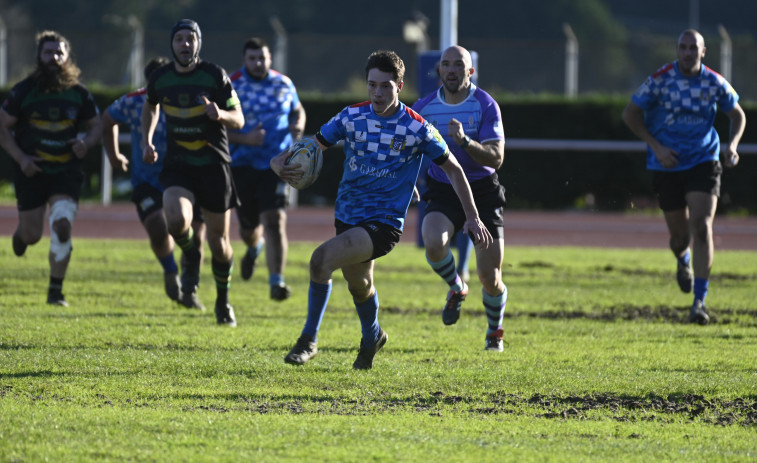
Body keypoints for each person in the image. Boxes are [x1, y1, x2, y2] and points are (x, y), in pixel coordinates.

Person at [270, 50, 492, 369]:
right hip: (347, 215)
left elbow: (455, 170)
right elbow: (313, 146)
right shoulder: (351, 116)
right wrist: (277, 161)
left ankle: (308, 341)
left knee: (320, 261)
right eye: (372, 85)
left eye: (385, 86)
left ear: (399, 86)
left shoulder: (416, 128)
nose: (377, 93)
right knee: (359, 284)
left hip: (384, 223)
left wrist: (472, 218)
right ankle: (372, 335)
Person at [622, 29, 745, 325]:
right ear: (677, 51)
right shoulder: (660, 80)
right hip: (667, 164)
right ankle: (683, 259)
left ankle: (699, 303)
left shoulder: (714, 82)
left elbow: (737, 114)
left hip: (704, 159)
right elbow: (630, 114)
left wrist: (732, 145)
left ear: (704, 52)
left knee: (702, 227)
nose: (688, 52)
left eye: (694, 48)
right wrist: (657, 147)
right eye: (683, 47)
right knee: (680, 237)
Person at [141, 19, 245, 326]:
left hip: (214, 166)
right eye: (180, 39)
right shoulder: (160, 78)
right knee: (176, 222)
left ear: (198, 43)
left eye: (190, 39)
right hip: (179, 165)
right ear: (172, 44)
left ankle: (223, 301)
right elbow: (150, 105)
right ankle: (190, 255)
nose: (185, 44)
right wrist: (147, 140)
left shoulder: (215, 75)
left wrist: (220, 114)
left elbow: (239, 119)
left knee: (219, 244)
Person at [412, 45, 508, 351]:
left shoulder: (486, 104)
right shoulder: (423, 107)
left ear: (471, 71)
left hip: (482, 188)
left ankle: (494, 331)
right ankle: (457, 288)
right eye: (446, 65)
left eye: (459, 65)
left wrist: (465, 142)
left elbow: (496, 158)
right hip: (443, 188)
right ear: (439, 70)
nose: (452, 70)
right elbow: (407, 151)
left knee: (489, 276)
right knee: (433, 242)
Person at [0, 30, 102, 306]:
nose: (54, 58)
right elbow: (3, 126)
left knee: (62, 225)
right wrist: (21, 159)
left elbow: (96, 125)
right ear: (38, 56)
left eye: (59, 53)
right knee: (32, 235)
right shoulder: (23, 90)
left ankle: (56, 290)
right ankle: (22, 236)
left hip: (66, 173)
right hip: (32, 171)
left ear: (68, 57)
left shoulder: (79, 93)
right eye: (48, 52)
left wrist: (86, 142)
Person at [102, 56, 207, 308]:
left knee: (197, 238)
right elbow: (106, 120)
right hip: (148, 181)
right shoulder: (134, 101)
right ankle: (170, 271)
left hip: (189, 178)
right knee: (159, 228)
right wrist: (114, 155)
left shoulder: (193, 98)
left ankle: (190, 288)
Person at [228, 37, 306, 301]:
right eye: (252, 58)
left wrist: (298, 125)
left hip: (277, 164)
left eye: (262, 58)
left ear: (270, 58)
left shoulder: (284, 83)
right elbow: (217, 128)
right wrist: (245, 139)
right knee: (249, 229)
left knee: (274, 221)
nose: (258, 63)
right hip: (242, 165)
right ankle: (253, 249)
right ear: (244, 60)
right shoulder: (231, 84)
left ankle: (277, 282)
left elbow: (298, 110)